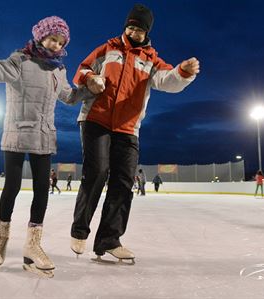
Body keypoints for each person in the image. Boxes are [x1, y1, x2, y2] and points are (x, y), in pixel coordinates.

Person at [0, 16, 88, 277]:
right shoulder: (20, 61)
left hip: (44, 137)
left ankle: (32, 246)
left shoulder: (59, 70)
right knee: (11, 187)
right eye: (52, 39)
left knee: (42, 191)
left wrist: (89, 89)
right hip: (16, 132)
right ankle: (1, 240)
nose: (56, 45)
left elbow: (69, 96)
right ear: (40, 37)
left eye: (60, 42)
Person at [70, 4, 199, 263]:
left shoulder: (151, 59)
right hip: (96, 118)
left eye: (139, 29)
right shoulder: (107, 48)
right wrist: (90, 79)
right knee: (97, 172)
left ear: (146, 32)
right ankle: (79, 231)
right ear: (125, 26)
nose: (134, 31)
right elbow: (81, 70)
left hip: (128, 128)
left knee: (123, 181)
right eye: (130, 26)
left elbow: (167, 80)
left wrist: (183, 72)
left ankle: (109, 240)